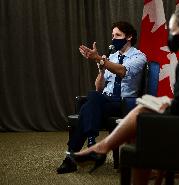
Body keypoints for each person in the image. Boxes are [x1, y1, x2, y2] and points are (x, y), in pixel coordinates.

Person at [74, 7, 179, 184]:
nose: (170, 35)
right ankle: (103, 148)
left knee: (142, 115)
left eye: (173, 30)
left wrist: (163, 104)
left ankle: (103, 147)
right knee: (141, 109)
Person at [56, 21, 147, 174]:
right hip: (105, 100)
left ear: (129, 37)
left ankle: (73, 156)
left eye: (118, 35)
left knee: (91, 101)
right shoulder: (111, 57)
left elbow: (123, 71)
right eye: (112, 35)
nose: (114, 38)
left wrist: (100, 59)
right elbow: (99, 87)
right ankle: (86, 148)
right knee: (92, 98)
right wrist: (102, 71)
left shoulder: (139, 56)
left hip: (123, 103)